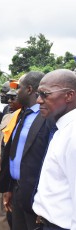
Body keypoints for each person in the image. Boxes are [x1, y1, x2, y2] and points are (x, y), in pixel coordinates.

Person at [0, 72, 54, 230]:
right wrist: (9, 187)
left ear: (29, 89)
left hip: (36, 196)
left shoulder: (48, 117)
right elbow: (13, 152)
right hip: (17, 190)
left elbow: (47, 161)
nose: (15, 93)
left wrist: (44, 201)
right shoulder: (22, 114)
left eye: (18, 88)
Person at [33, 69, 76, 230]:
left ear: (69, 95)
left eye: (45, 94)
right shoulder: (63, 129)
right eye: (38, 94)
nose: (38, 100)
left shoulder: (73, 135)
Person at [0, 83, 22, 230]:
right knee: (1, 209)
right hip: (2, 170)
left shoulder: (30, 119)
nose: (9, 101)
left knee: (17, 213)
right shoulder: (6, 117)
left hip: (18, 175)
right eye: (8, 98)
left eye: (13, 98)